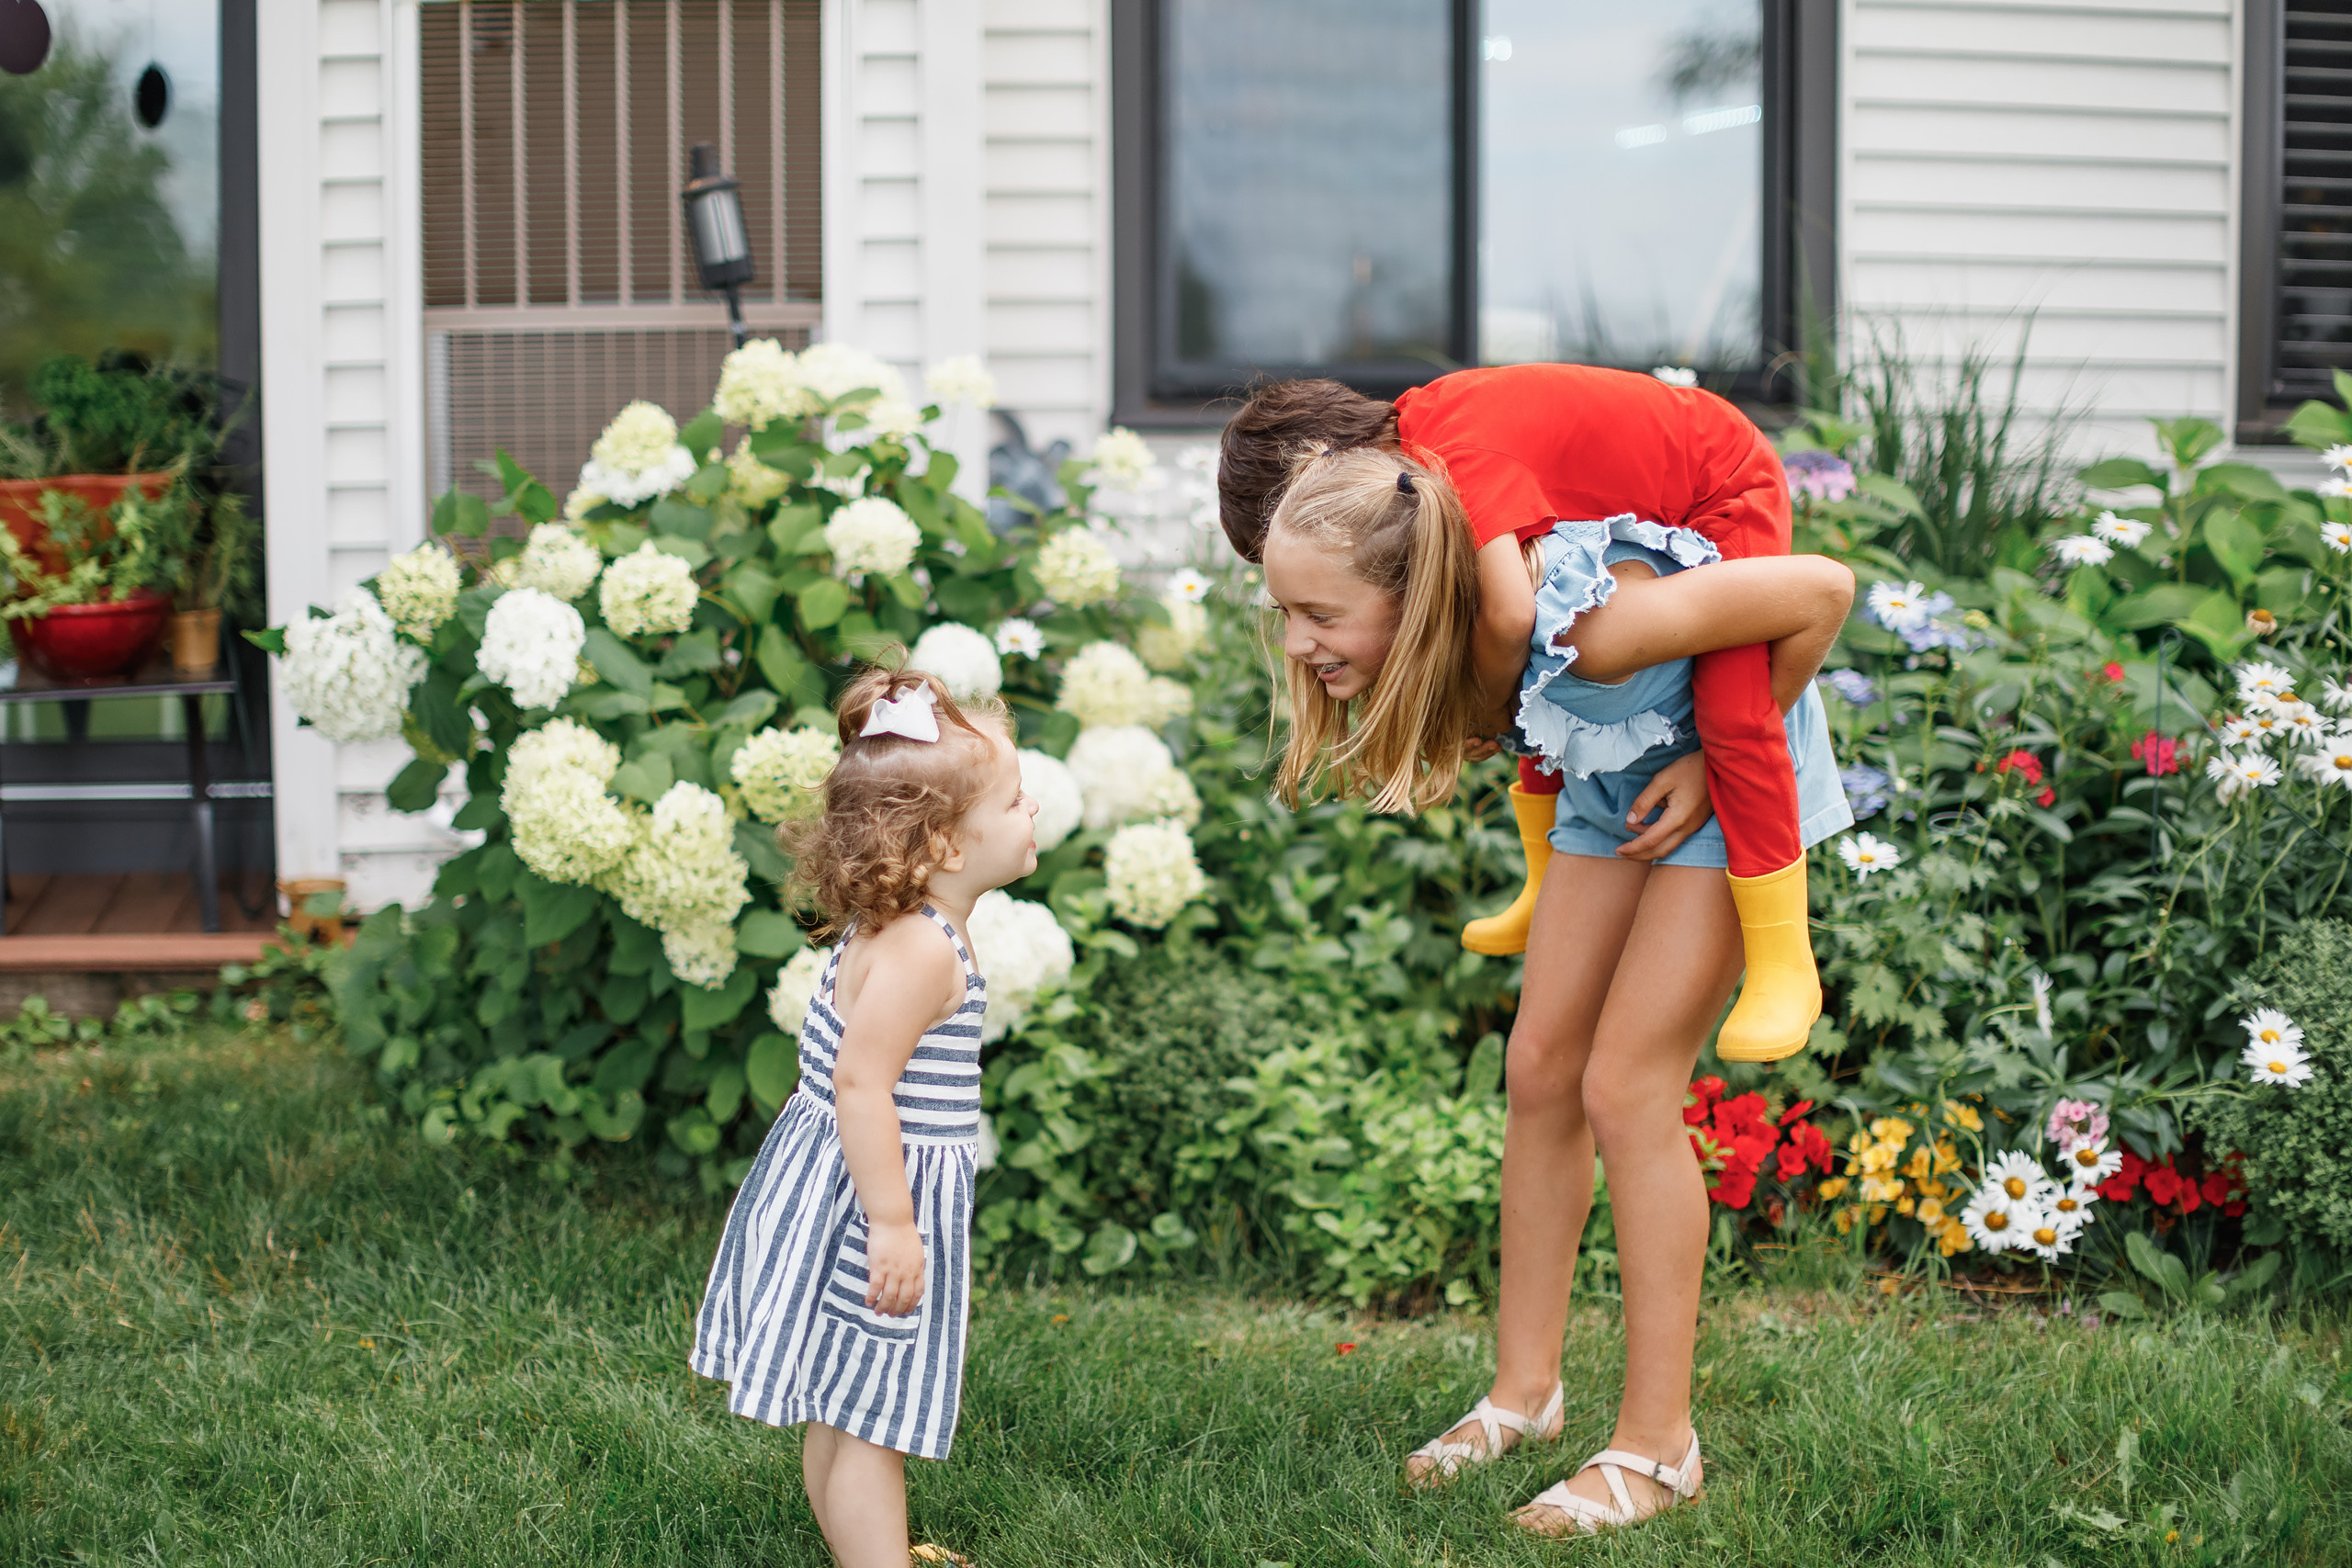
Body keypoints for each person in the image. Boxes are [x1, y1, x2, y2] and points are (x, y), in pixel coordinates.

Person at [1259, 446, 1853, 1536]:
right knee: (1540, 1068)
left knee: (1626, 1087)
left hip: (1724, 786)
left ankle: (1659, 1446)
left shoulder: (1598, 625)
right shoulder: (1497, 637)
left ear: (1417, 592)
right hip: (1612, 774)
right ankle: (1523, 1396)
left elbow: (1821, 591)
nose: (1298, 641)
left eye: (1318, 612)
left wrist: (1720, 761)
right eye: (1285, 610)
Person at [1220, 366, 1822, 1061]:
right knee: (1540, 654)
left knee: (1731, 702)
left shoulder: (1451, 452)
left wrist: (1485, 710)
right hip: (1631, 503)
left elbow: (1508, 614)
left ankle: (1784, 957)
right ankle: (1543, 877)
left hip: (1723, 480)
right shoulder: (1426, 463)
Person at [691, 664, 1038, 1568]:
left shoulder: (904, 926)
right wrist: (893, 1225)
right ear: (949, 847)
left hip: (844, 1183)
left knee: (839, 1400)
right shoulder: (925, 949)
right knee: (871, 1414)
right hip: (871, 1200)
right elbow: (859, 1083)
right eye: (1013, 802)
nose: (1030, 811)